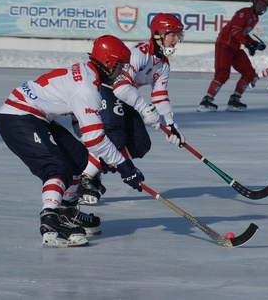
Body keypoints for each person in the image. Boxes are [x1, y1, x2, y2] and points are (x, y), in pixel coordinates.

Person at [0, 35, 148, 248]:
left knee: (78, 158)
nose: (122, 72)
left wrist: (110, 156)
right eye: (120, 66)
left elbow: (83, 129)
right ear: (107, 63)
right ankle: (50, 221)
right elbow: (95, 139)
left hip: (36, 116)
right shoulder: (87, 89)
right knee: (56, 168)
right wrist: (125, 166)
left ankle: (67, 211)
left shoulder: (88, 75)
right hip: (18, 116)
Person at [76, 13, 186, 205]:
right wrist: (144, 109)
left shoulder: (163, 65)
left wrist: (170, 124)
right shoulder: (140, 53)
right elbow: (120, 86)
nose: (176, 40)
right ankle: (84, 177)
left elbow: (160, 96)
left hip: (126, 96)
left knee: (140, 144)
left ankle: (96, 167)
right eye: (173, 35)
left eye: (178, 36)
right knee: (116, 137)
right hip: (107, 89)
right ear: (158, 34)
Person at [197, 0, 268, 112]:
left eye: (264, 5)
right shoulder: (244, 13)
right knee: (223, 74)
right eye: (260, 4)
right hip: (225, 44)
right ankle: (207, 101)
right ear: (254, 2)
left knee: (249, 73)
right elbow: (235, 32)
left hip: (235, 47)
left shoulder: (255, 18)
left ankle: (235, 99)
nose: (261, 7)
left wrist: (254, 43)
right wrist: (248, 44)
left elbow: (243, 33)